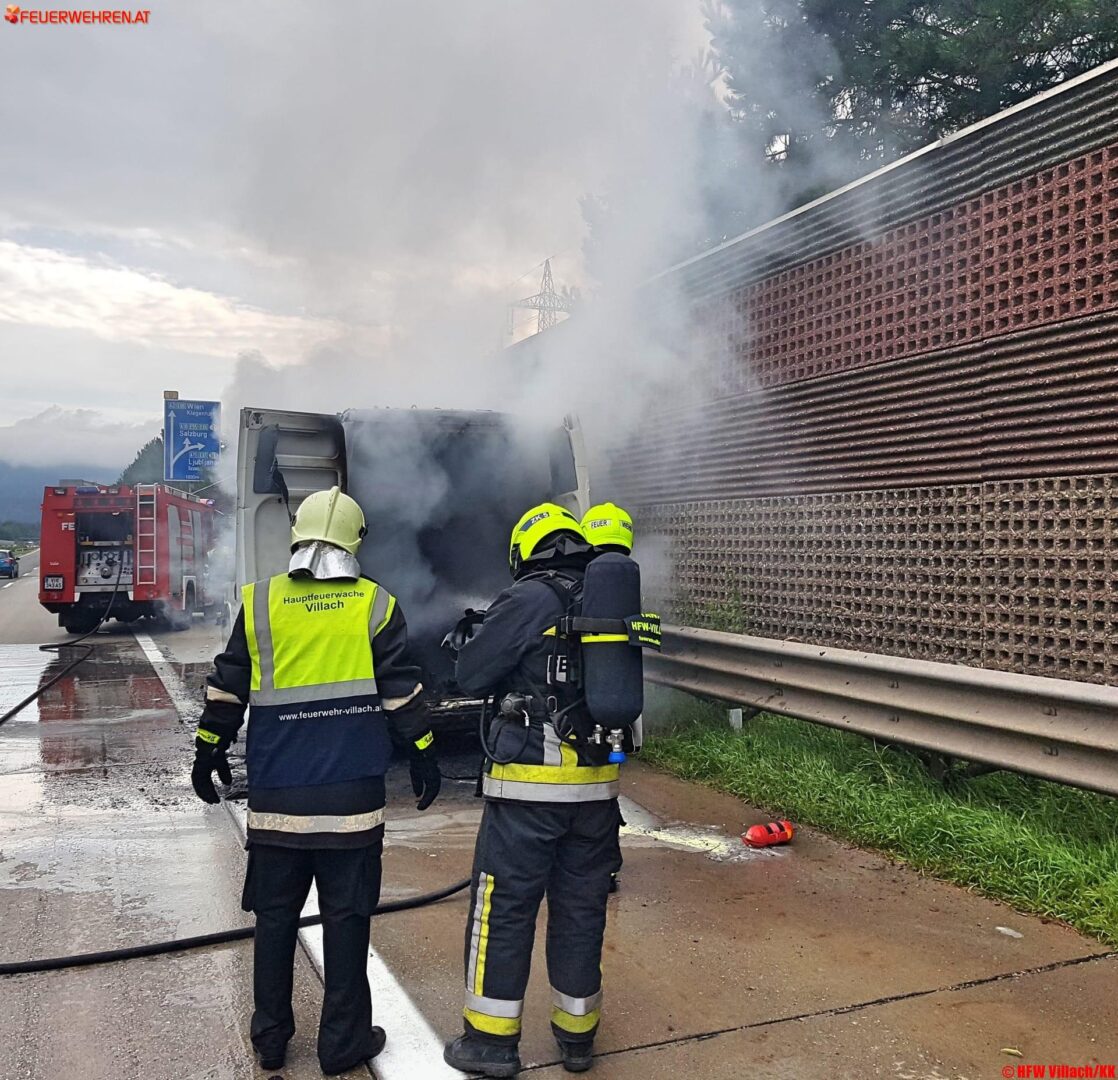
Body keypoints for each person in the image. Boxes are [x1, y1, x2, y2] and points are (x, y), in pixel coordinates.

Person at [190, 486, 441, 1075]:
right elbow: (401, 693)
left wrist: (208, 751)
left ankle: (271, 1040)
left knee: (274, 920)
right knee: (347, 921)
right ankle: (342, 1044)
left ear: (296, 533)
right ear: (356, 540)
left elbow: (227, 689)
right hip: (351, 805)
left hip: (277, 800)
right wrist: (425, 752)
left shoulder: (258, 603)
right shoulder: (376, 605)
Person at [443, 503, 623, 1078]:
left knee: (504, 909)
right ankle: (577, 1038)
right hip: (597, 791)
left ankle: (490, 1045)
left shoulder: (531, 597)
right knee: (581, 909)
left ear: (527, 550)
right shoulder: (606, 597)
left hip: (528, 793)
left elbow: (470, 674)